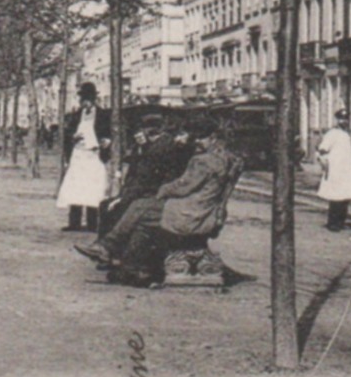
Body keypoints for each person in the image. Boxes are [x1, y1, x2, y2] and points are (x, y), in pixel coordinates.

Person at [76, 126, 245, 288]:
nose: (197, 141)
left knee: (140, 207)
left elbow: (184, 186)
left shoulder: (204, 161)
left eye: (201, 138)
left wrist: (163, 190)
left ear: (214, 138)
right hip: (203, 210)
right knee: (143, 220)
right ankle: (131, 266)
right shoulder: (226, 158)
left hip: (191, 212)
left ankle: (107, 248)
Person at [56, 82, 112, 232]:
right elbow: (67, 134)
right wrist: (73, 137)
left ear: (93, 99)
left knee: (92, 189)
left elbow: (110, 133)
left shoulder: (103, 115)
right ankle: (74, 222)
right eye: (82, 100)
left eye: (87, 99)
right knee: (76, 188)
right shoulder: (75, 116)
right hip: (79, 155)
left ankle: (92, 223)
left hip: (94, 156)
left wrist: (107, 142)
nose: (84, 103)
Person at [317, 108, 351, 231]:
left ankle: (341, 222)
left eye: (345, 119)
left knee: (345, 197)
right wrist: (325, 163)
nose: (344, 121)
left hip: (346, 171)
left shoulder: (347, 134)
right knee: (336, 198)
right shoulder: (332, 134)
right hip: (336, 171)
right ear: (337, 120)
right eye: (341, 119)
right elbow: (323, 149)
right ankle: (333, 223)